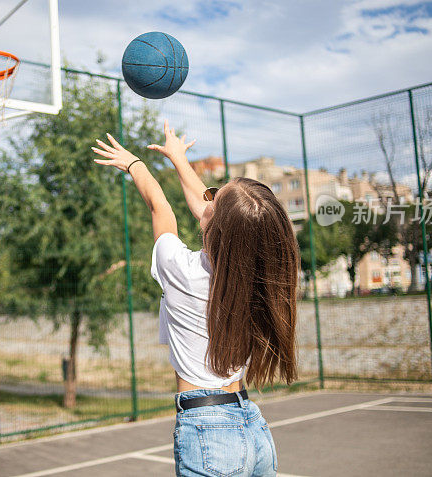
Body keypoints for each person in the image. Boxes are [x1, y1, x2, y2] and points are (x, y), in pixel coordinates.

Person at [92, 122, 298, 477]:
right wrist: (177, 159)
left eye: (213, 197)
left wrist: (133, 164)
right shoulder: (258, 279)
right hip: (252, 426)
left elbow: (161, 207)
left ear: (214, 227)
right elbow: (212, 215)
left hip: (208, 432)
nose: (206, 197)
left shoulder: (182, 271)